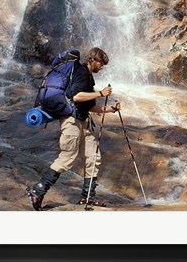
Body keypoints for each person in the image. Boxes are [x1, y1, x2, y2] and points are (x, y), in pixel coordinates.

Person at [26, 47, 121, 211]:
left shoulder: (89, 78)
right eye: (101, 63)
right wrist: (100, 93)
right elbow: (75, 96)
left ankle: (88, 197)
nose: (103, 67)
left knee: (93, 157)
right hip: (71, 120)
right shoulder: (80, 72)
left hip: (84, 120)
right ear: (92, 59)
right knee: (67, 157)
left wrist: (110, 109)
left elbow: (90, 106)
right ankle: (37, 190)